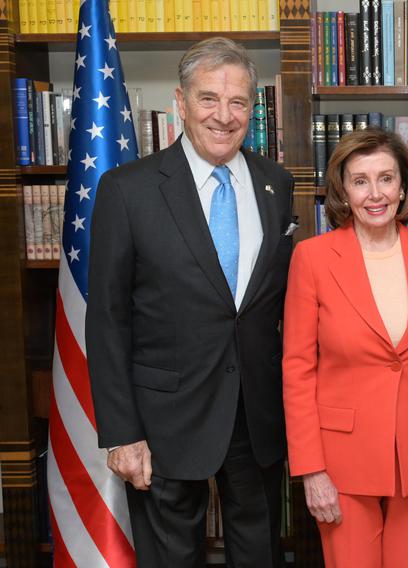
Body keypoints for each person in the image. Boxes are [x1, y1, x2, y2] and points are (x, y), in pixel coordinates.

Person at [86, 37, 295, 567]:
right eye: (208, 99)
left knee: (260, 553)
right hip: (162, 422)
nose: (224, 116)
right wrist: (121, 433)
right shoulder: (127, 189)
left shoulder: (277, 184)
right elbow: (108, 318)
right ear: (180, 103)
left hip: (257, 416)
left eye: (238, 102)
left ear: (254, 107)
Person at [282, 128, 408, 568]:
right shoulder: (312, 258)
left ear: (403, 185)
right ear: (343, 190)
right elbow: (297, 370)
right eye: (360, 180)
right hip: (341, 461)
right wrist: (312, 469)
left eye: (386, 178)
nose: (375, 194)